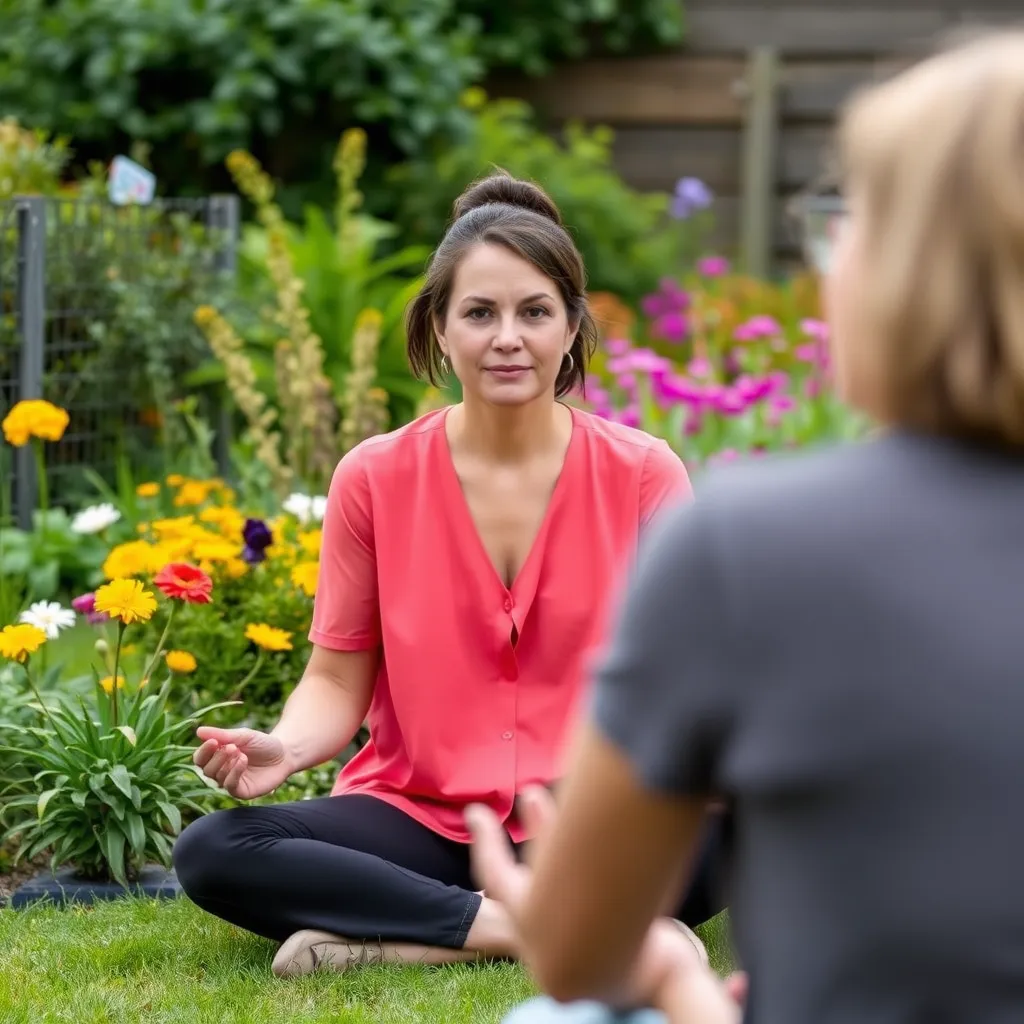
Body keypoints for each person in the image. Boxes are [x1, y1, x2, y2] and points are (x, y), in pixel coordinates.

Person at [470, 28, 1024, 1024]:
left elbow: (575, 951)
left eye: (845, 222)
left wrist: (678, 985)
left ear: (904, 269)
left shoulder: (751, 545)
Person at [172, 171, 730, 978]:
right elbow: (336, 677)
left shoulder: (644, 473)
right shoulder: (373, 477)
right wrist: (285, 747)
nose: (509, 337)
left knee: (732, 826)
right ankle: (554, 930)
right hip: (418, 819)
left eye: (535, 312)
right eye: (480, 313)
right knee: (217, 848)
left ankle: (399, 938)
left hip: (582, 817)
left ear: (572, 327)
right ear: (439, 327)